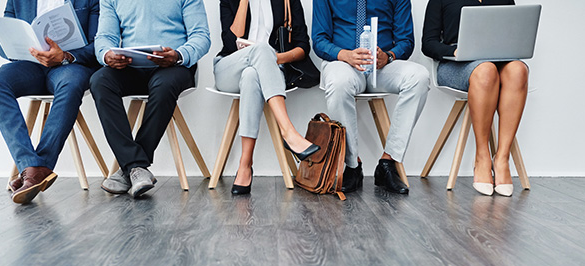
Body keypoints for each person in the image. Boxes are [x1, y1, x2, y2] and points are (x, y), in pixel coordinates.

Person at [90, 0, 211, 198]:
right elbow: (105, 37)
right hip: (131, 67)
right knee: (99, 81)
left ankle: (131, 167)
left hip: (173, 66)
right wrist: (106, 54)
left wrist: (178, 54)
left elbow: (201, 36)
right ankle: (136, 167)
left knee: (164, 86)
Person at [0, 0, 100, 204]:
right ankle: (31, 165)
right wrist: (19, 47)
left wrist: (64, 56)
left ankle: (37, 170)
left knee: (71, 84)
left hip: (69, 65)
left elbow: (98, 44)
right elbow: (2, 45)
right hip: (32, 65)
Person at [312, 0, 429, 194]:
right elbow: (319, 40)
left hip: (382, 66)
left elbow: (406, 41)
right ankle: (352, 164)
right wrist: (345, 55)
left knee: (419, 77)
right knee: (339, 83)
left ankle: (388, 161)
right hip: (343, 62)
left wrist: (389, 56)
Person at [422, 0, 529, 197]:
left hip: (498, 59)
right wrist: (454, 51)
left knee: (518, 70)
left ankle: (502, 158)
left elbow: (512, 36)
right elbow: (428, 43)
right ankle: (482, 156)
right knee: (486, 70)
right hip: (456, 64)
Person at [214, 0, 320, 195]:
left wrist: (273, 58)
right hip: (229, 68)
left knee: (251, 75)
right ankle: (288, 132)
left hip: (268, 70)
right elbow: (230, 42)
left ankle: (245, 165)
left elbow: (302, 47)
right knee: (262, 50)